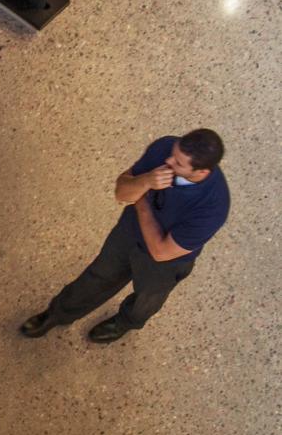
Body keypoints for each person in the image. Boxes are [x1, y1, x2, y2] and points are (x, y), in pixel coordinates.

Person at [20, 129, 230, 343]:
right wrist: (146, 181)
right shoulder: (165, 147)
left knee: (146, 299)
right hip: (129, 233)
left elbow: (160, 251)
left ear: (201, 172)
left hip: (167, 263)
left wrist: (142, 205)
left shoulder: (213, 207)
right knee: (98, 275)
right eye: (173, 153)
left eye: (178, 162)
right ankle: (58, 314)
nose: (168, 160)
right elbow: (122, 192)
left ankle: (124, 322)